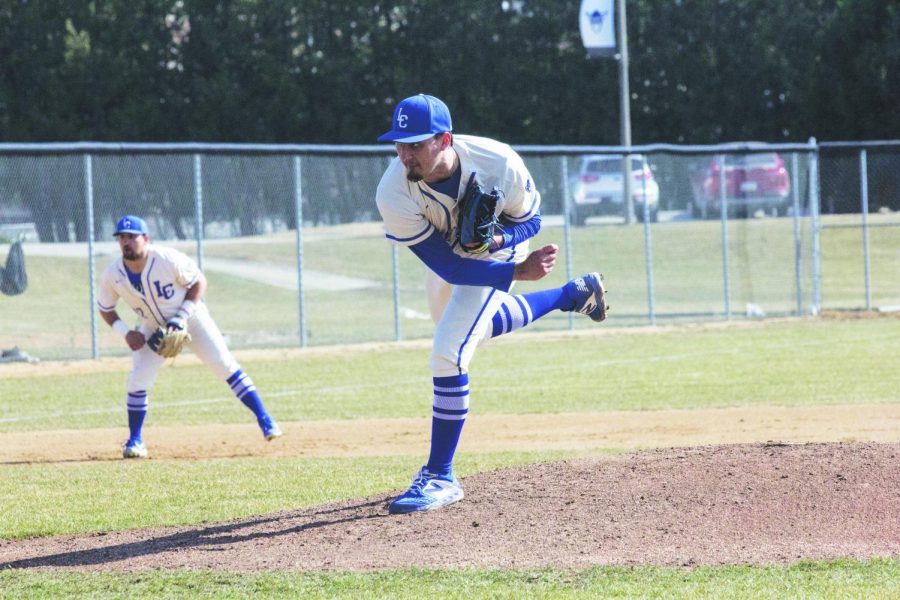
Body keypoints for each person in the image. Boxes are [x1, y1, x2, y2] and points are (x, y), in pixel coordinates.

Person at [375, 94, 607, 514]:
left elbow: (532, 220)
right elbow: (451, 267)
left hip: (503, 245)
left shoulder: (497, 160)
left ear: (444, 139)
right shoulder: (394, 193)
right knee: (466, 335)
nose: (404, 153)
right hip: (454, 260)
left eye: (415, 143)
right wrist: (519, 277)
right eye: (399, 143)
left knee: (448, 353)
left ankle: (440, 476)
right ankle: (571, 295)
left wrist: (502, 245)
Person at [97, 215, 282, 458]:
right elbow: (105, 308)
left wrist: (180, 317)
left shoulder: (165, 258)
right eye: (122, 237)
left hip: (191, 318)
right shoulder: (114, 274)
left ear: (146, 239)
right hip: (153, 327)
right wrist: (126, 332)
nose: (126, 242)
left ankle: (265, 419)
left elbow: (198, 282)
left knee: (223, 364)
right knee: (138, 380)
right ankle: (135, 441)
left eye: (132, 237)